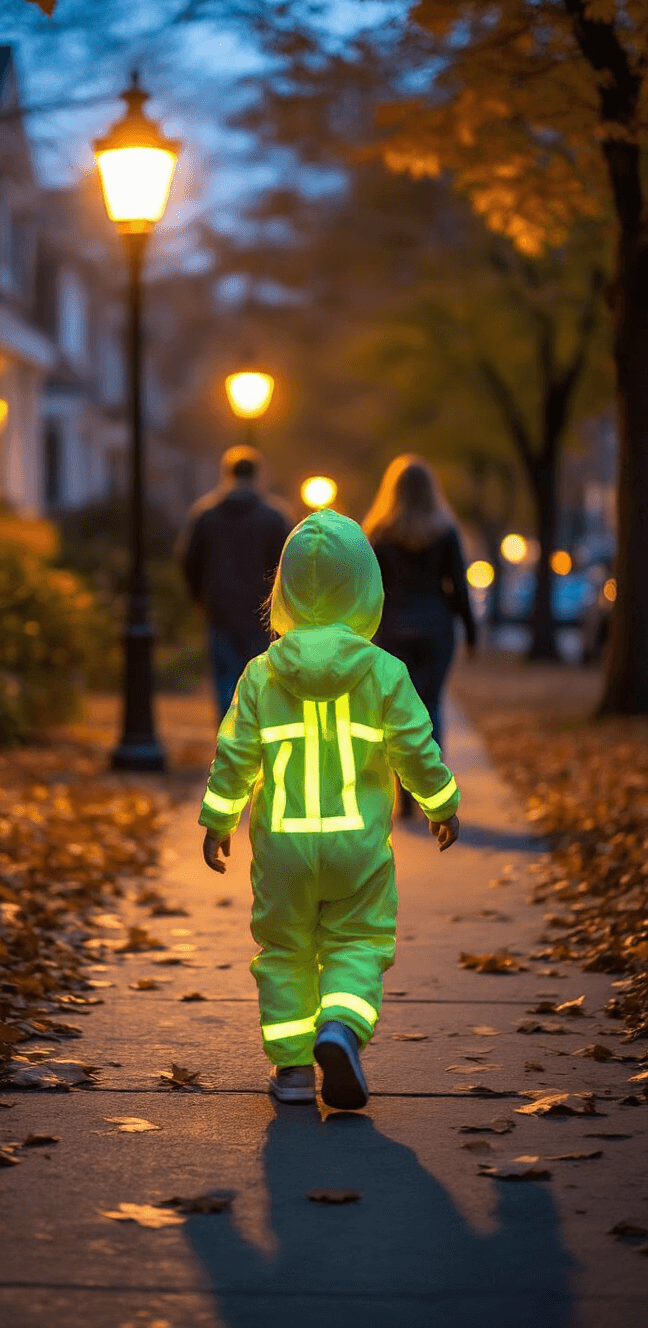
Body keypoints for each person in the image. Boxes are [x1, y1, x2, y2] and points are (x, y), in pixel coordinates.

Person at [198, 509, 460, 1111]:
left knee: (285, 950)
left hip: (283, 848)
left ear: (284, 589)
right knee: (359, 942)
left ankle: (291, 1071)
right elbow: (416, 747)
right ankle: (341, 1026)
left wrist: (219, 819)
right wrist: (441, 803)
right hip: (358, 848)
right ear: (368, 587)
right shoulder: (385, 673)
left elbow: (234, 754)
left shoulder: (261, 675)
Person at [363, 455, 476, 760]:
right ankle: (433, 788)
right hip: (437, 628)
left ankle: (405, 791)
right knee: (431, 706)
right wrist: (471, 632)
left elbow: (372, 590)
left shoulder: (380, 534)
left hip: (393, 629)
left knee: (399, 710)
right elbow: (460, 588)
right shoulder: (445, 533)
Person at [178, 446, 291, 719]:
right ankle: (257, 738)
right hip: (263, 613)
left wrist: (198, 598)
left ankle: (230, 741)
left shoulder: (206, 515)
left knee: (226, 679)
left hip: (220, 608)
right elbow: (288, 565)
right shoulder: (274, 517)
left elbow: (187, 560)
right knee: (261, 679)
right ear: (258, 475)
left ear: (226, 473)